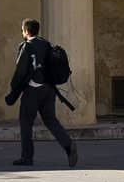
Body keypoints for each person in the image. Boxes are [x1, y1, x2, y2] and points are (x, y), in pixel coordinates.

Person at [5, 18, 78, 168]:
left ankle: (27, 157)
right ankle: (69, 145)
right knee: (51, 120)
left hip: (33, 90)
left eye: (22, 30)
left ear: (26, 31)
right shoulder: (47, 44)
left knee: (26, 122)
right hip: (49, 89)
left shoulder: (27, 46)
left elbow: (20, 71)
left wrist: (13, 89)